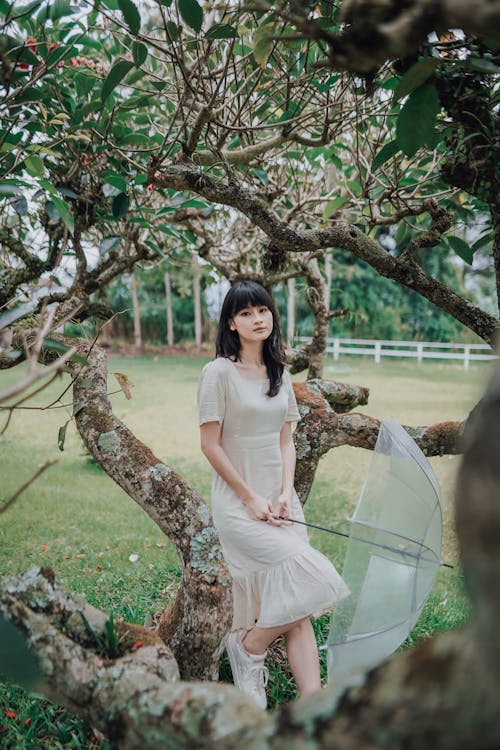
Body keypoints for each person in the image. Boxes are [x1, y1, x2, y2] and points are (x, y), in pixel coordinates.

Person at [197, 280, 349, 709]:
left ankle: (313, 709)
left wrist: (284, 493)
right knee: (312, 575)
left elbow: (287, 441)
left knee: (297, 610)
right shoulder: (218, 373)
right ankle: (249, 647)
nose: (257, 318)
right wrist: (250, 498)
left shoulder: (279, 372)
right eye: (245, 313)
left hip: (281, 503)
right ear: (231, 322)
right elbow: (210, 445)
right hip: (238, 504)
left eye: (262, 310)